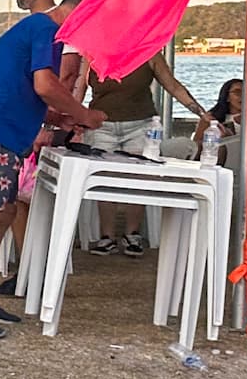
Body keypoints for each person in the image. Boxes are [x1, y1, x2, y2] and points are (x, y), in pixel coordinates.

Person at [0, 0, 106, 339]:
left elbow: (30, 92)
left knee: (1, 213)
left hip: (2, 133)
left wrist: (58, 116)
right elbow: (45, 85)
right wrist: (84, 115)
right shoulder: (43, 28)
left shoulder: (39, 32)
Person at [80, 54, 208, 255]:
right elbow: (80, 86)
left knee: (139, 177)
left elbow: (172, 85)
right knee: (103, 179)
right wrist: (72, 117)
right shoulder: (94, 53)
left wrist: (201, 113)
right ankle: (107, 236)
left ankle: (132, 233)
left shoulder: (149, 52)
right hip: (101, 124)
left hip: (141, 124)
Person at [195, 78, 243, 149]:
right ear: (227, 97)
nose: (242, 96)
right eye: (237, 93)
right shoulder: (210, 118)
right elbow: (196, 144)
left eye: (246, 92)